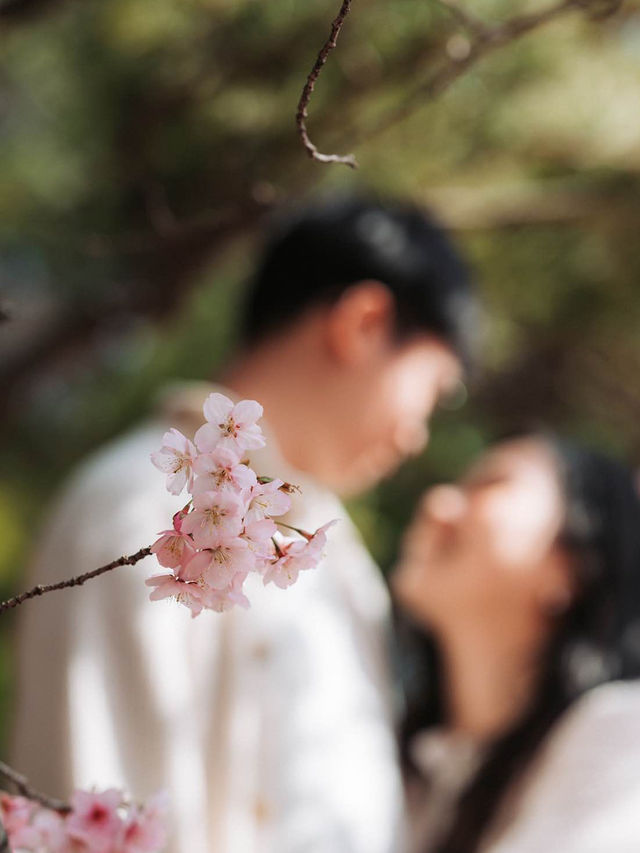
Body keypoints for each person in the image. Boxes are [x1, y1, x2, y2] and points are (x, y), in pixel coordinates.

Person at [12, 195, 478, 853]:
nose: (417, 435)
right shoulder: (134, 507)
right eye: (431, 389)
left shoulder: (333, 553)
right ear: (365, 323)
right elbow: (99, 784)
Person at [392, 433, 640, 853]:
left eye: (492, 483)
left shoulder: (624, 741)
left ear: (574, 565)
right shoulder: (417, 769)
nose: (437, 504)